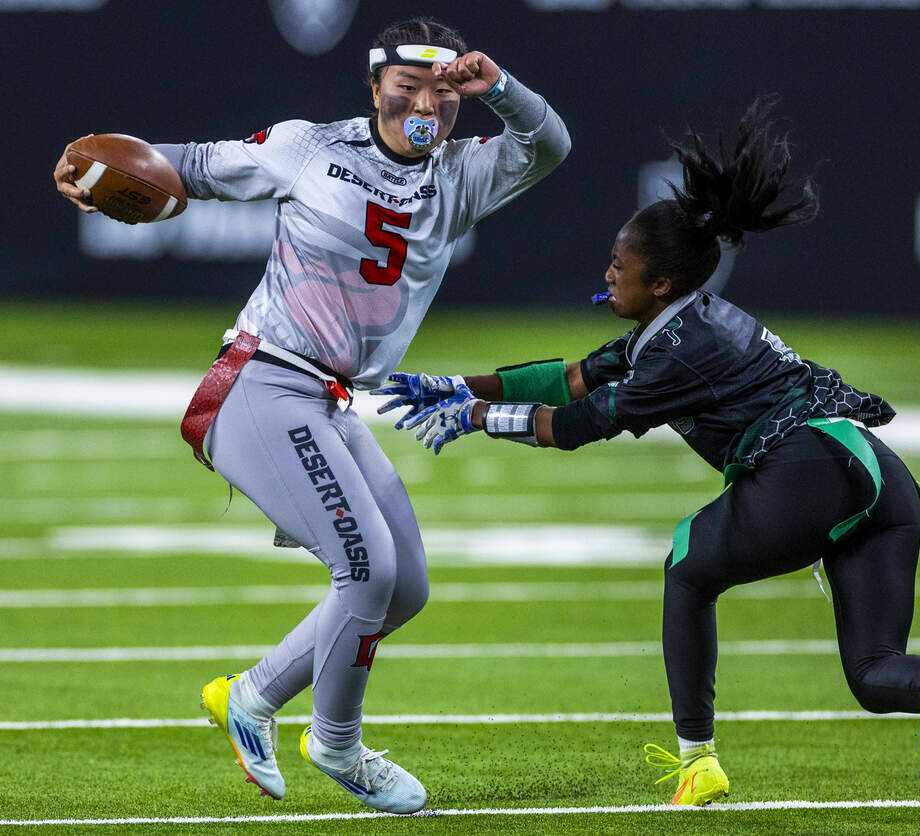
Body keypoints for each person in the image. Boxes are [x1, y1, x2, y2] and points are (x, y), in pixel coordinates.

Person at [377, 96, 920, 806]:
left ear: (659, 282)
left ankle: (698, 761)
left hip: (808, 468)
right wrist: (456, 384)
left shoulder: (673, 351)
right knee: (876, 673)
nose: (607, 273)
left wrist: (477, 417)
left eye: (617, 264)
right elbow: (572, 378)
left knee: (688, 569)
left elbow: (576, 423)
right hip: (877, 476)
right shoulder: (677, 326)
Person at [53, 16, 570, 814]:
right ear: (373, 88)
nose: (425, 104)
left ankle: (252, 698)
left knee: (407, 589)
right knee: (368, 571)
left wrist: (500, 87)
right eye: (407, 87)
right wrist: (96, 169)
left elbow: (551, 144)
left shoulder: (463, 174)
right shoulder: (309, 146)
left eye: (443, 90)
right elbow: (188, 168)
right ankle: (337, 743)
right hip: (264, 380)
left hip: (328, 400)